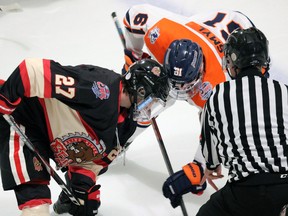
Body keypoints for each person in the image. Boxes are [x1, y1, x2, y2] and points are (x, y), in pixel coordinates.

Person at [122, 4, 260, 208]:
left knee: (214, 115)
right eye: (175, 84)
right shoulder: (162, 35)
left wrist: (200, 165)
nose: (180, 91)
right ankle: (123, 136)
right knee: (152, 98)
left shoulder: (220, 84)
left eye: (186, 85)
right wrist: (133, 54)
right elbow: (134, 15)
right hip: (200, 24)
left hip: (237, 28)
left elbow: (217, 132)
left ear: (201, 70)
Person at [0, 58, 170, 216]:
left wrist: (82, 184)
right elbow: (32, 71)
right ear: (140, 90)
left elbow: (96, 160)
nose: (150, 109)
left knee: (86, 206)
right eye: (151, 101)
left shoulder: (128, 125)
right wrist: (5, 98)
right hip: (24, 120)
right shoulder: (99, 89)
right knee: (36, 208)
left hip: (50, 141)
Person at [196, 27, 288, 216]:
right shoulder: (284, 90)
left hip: (245, 193)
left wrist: (212, 166)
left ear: (232, 61)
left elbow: (210, 153)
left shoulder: (217, 95)